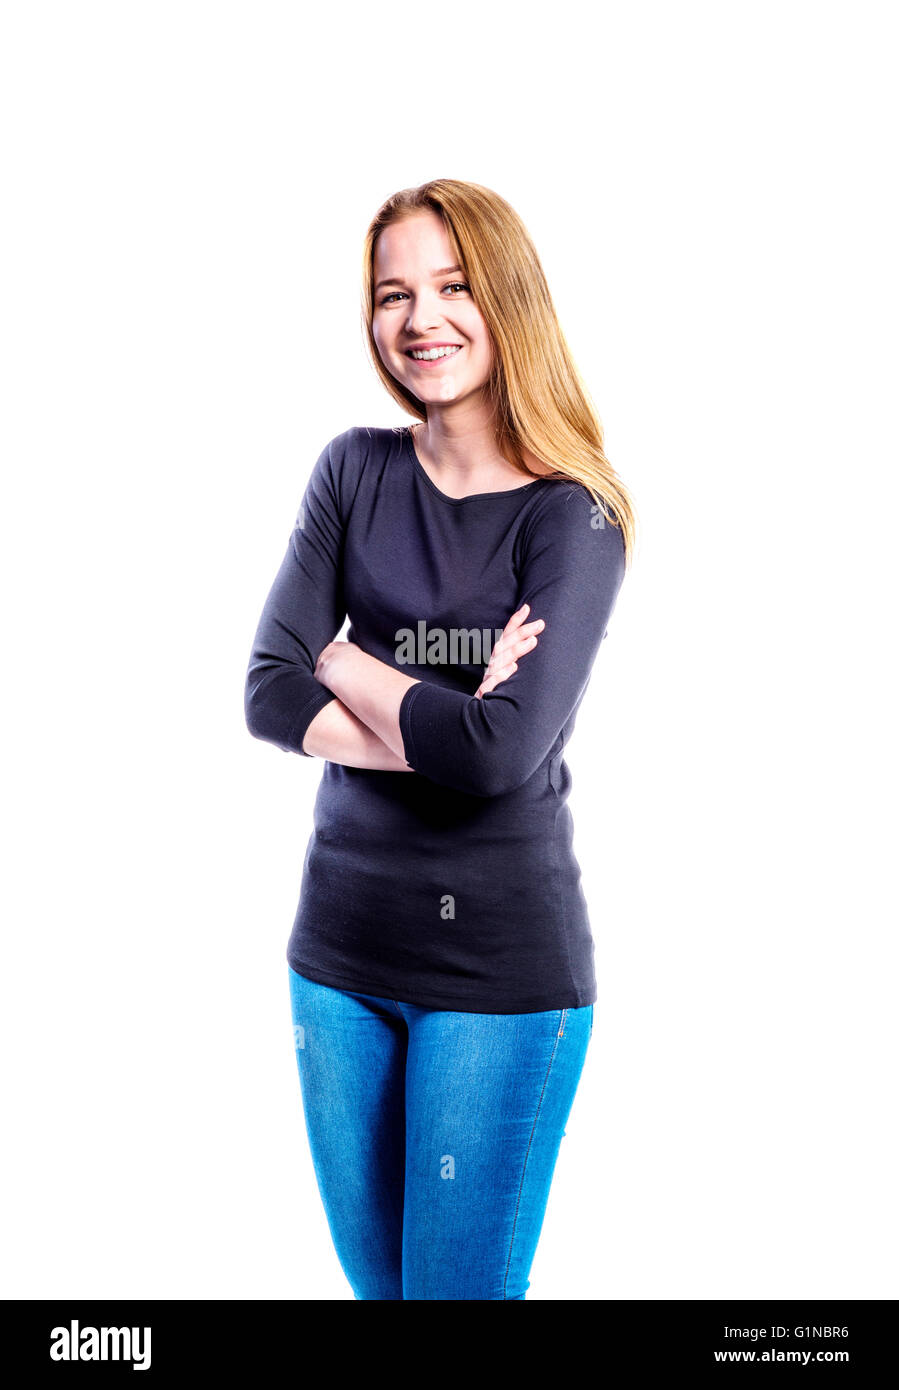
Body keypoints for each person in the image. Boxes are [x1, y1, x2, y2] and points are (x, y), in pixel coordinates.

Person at [244, 178, 637, 1300]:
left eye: (453, 286)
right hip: (336, 966)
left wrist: (347, 663)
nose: (421, 319)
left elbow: (499, 758)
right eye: (393, 294)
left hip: (496, 982)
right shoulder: (353, 469)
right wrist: (446, 724)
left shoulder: (574, 514)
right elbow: (267, 693)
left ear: (506, 297)